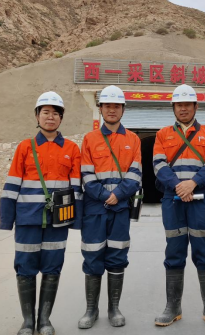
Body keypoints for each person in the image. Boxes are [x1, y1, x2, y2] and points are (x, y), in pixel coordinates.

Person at [0, 91, 83, 335]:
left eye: (56, 113)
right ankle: (28, 321)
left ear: (61, 118)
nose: (50, 117)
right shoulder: (25, 147)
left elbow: (76, 188)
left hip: (58, 221)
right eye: (45, 112)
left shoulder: (71, 149)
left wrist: (75, 220)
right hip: (28, 218)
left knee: (52, 266)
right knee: (25, 267)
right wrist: (7, 219)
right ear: (37, 116)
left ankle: (45, 320)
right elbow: (12, 183)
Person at [153, 84, 205, 329]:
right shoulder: (163, 134)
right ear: (173, 107)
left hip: (201, 199)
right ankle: (172, 307)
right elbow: (159, 165)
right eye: (179, 105)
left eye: (187, 104)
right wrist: (178, 186)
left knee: (203, 250)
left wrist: (192, 183)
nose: (183, 108)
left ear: (195, 106)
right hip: (172, 200)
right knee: (174, 251)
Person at [78, 85, 142, 329]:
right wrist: (106, 196)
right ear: (101, 108)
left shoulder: (133, 139)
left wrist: (118, 195)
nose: (112, 110)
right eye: (107, 106)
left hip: (120, 209)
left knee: (117, 255)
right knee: (93, 255)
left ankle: (114, 308)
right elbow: (86, 174)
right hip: (95, 209)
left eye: (116, 106)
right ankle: (91, 309)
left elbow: (136, 174)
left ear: (123, 109)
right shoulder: (90, 139)